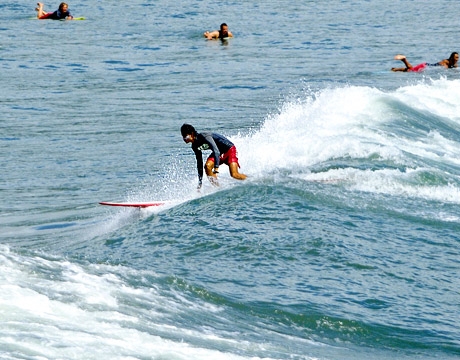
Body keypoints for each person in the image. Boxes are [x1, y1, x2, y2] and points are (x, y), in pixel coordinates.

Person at [181, 124, 247, 188]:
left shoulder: (205, 136)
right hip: (219, 152)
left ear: (192, 134)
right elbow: (199, 163)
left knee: (234, 174)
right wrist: (200, 181)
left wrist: (216, 167)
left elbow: (216, 151)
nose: (184, 139)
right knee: (207, 166)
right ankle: (218, 187)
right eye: (183, 137)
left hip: (229, 150)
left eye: (185, 136)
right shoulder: (194, 146)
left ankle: (251, 179)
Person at [391, 52, 459, 72]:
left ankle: (395, 69)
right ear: (452, 57)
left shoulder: (453, 63)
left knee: (409, 69)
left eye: (458, 57)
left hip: (426, 66)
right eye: (456, 57)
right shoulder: (446, 61)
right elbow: (444, 68)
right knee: (411, 70)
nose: (457, 59)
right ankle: (404, 60)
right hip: (425, 66)